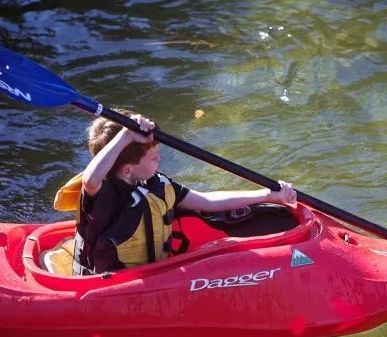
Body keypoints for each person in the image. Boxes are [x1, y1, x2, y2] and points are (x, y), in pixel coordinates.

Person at [65, 111, 297, 276]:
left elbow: (207, 201)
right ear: (128, 169)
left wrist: (267, 195)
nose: (160, 160)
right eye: (154, 158)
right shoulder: (104, 192)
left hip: (151, 274)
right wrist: (126, 135)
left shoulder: (154, 184)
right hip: (106, 284)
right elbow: (90, 180)